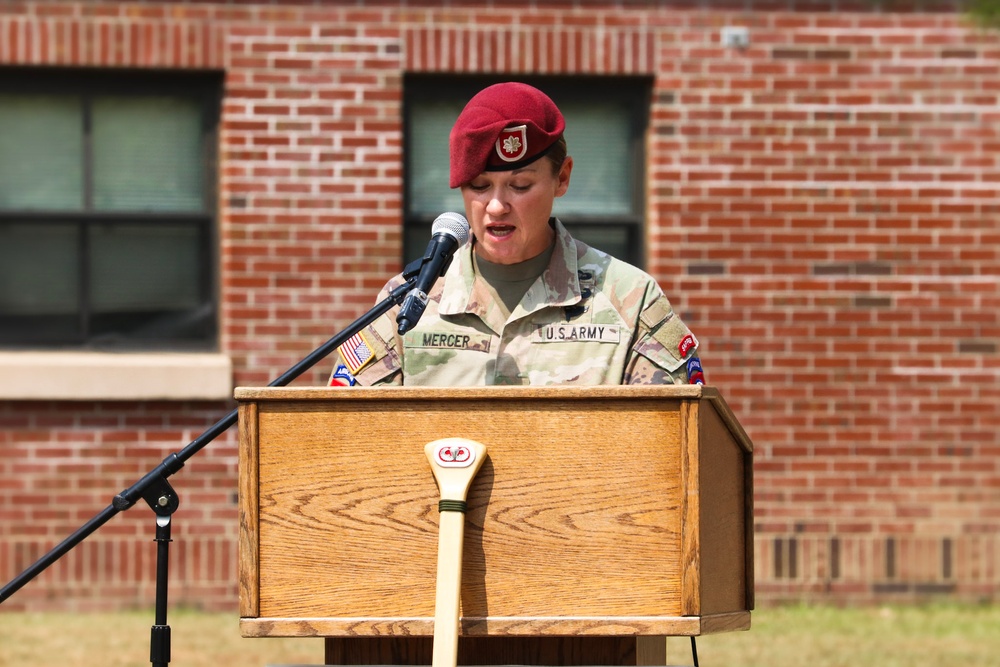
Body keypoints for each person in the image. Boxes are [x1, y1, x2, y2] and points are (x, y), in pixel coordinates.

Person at [329, 81, 704, 387]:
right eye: (478, 186)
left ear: (563, 178)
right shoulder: (409, 304)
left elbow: (676, 441)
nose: (496, 206)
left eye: (520, 185)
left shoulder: (631, 300)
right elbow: (346, 440)